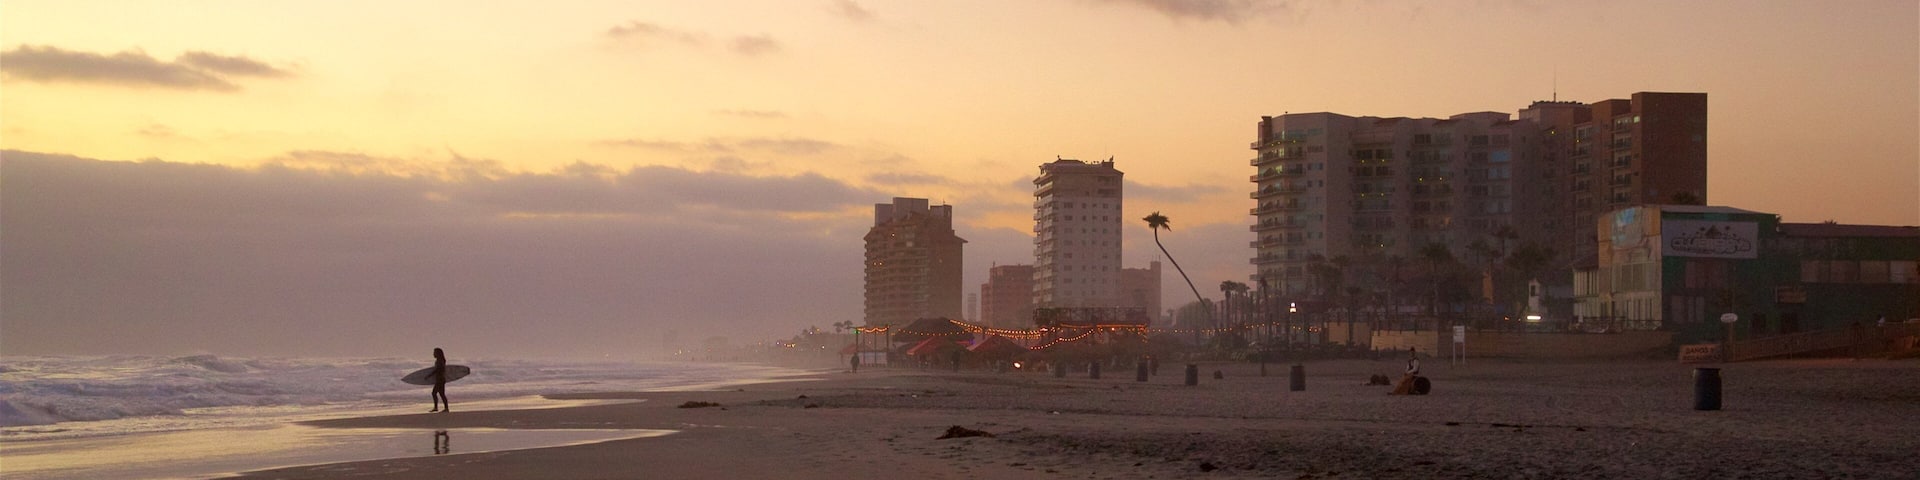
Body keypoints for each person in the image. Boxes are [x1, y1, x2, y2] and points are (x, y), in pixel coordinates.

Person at [429, 347, 451, 413]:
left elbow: (438, 369)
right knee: (441, 394)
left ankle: (437, 408)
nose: (433, 354)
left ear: (438, 353)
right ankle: (445, 408)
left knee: (434, 393)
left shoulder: (440, 361)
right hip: (441, 379)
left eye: (434, 353)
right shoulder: (441, 360)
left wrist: (429, 375)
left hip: (440, 380)